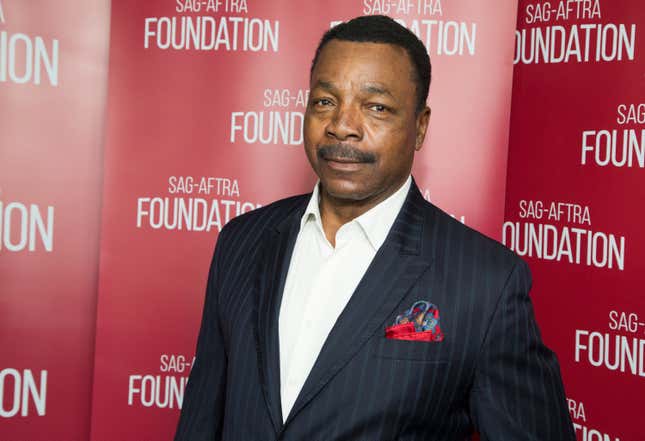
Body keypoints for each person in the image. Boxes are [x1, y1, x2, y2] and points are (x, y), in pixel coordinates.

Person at [174, 15, 575, 441]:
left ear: (420, 126)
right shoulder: (242, 241)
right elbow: (202, 419)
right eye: (325, 101)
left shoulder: (487, 282)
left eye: (376, 107)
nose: (341, 125)